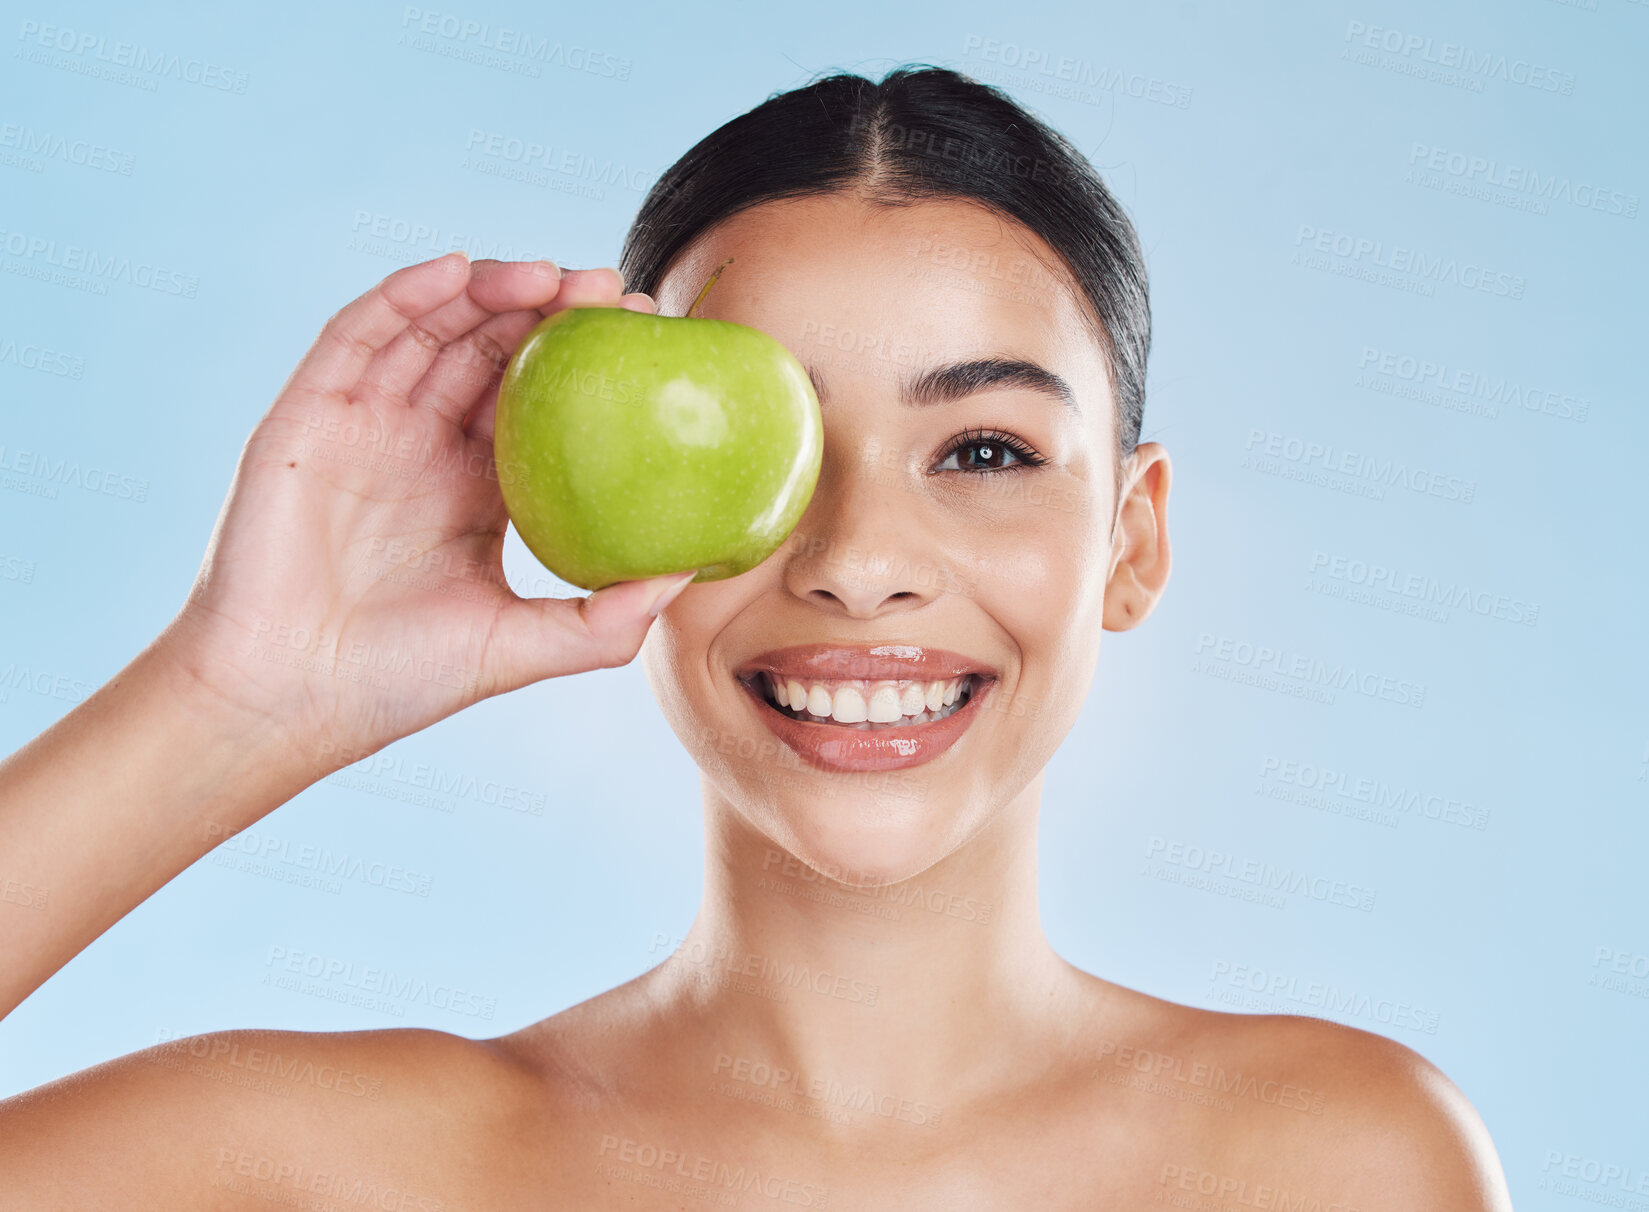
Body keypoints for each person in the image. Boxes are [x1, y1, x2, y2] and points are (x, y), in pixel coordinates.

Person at [0, 66, 1511, 1207]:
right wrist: (239, 697)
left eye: (981, 450)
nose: (855, 564)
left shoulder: (1331, 1159)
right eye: (755, 445)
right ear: (581, 499)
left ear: (1133, 536)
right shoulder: (325, 1169)